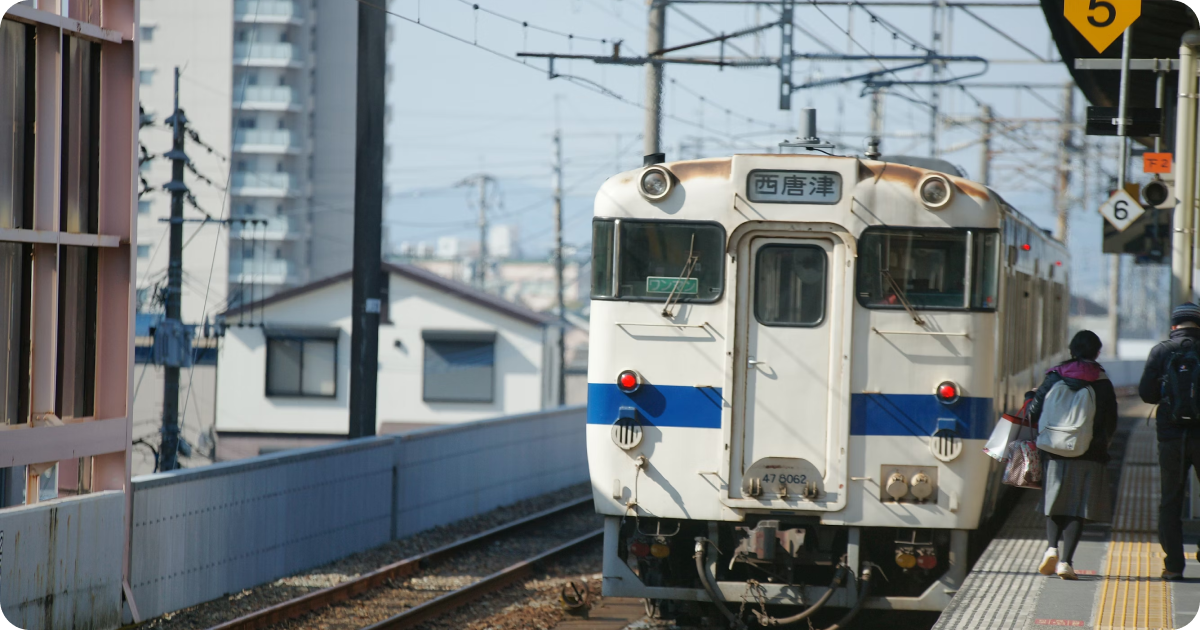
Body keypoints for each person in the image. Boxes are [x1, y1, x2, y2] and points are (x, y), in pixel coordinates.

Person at [1026, 330, 1118, 580]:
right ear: (1097, 352)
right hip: (1089, 453)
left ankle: (1051, 548)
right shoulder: (1102, 382)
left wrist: (1031, 397)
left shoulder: (1055, 376)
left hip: (1054, 450)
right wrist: (1101, 446)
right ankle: (1066, 562)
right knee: (1077, 506)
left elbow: (1033, 413)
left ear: (1071, 350)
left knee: (1054, 501)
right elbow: (1111, 421)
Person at [1138, 302, 1200, 581]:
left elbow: (1147, 394)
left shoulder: (1162, 351)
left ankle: (1174, 565)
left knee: (1170, 500)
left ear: (1174, 325)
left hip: (1171, 437)